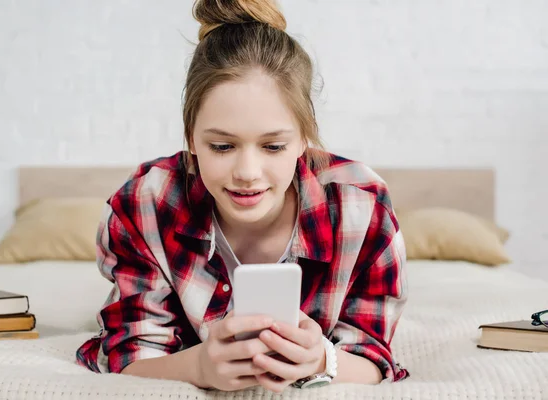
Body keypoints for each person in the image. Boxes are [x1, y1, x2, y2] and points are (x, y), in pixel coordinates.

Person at [76, 0, 409, 393]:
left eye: (272, 147)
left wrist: (322, 359)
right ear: (190, 139)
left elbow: (373, 358)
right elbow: (129, 355)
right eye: (221, 146)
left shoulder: (360, 207)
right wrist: (198, 367)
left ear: (304, 138)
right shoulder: (143, 204)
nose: (247, 174)